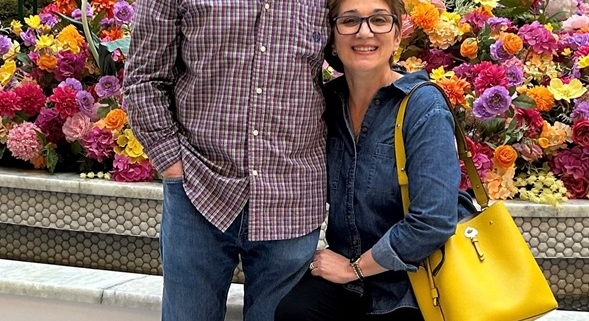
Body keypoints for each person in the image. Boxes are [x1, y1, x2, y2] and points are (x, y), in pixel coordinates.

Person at [123, 1, 330, 320]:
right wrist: (173, 166)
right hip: (199, 189)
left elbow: (360, 47)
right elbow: (144, 80)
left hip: (292, 196)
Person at [274, 0, 476, 320]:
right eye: (349, 21)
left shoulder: (422, 106)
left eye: (379, 20)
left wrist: (354, 268)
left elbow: (433, 220)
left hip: (415, 282)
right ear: (333, 38)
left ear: (396, 37)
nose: (365, 32)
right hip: (349, 276)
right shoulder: (327, 104)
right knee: (293, 312)